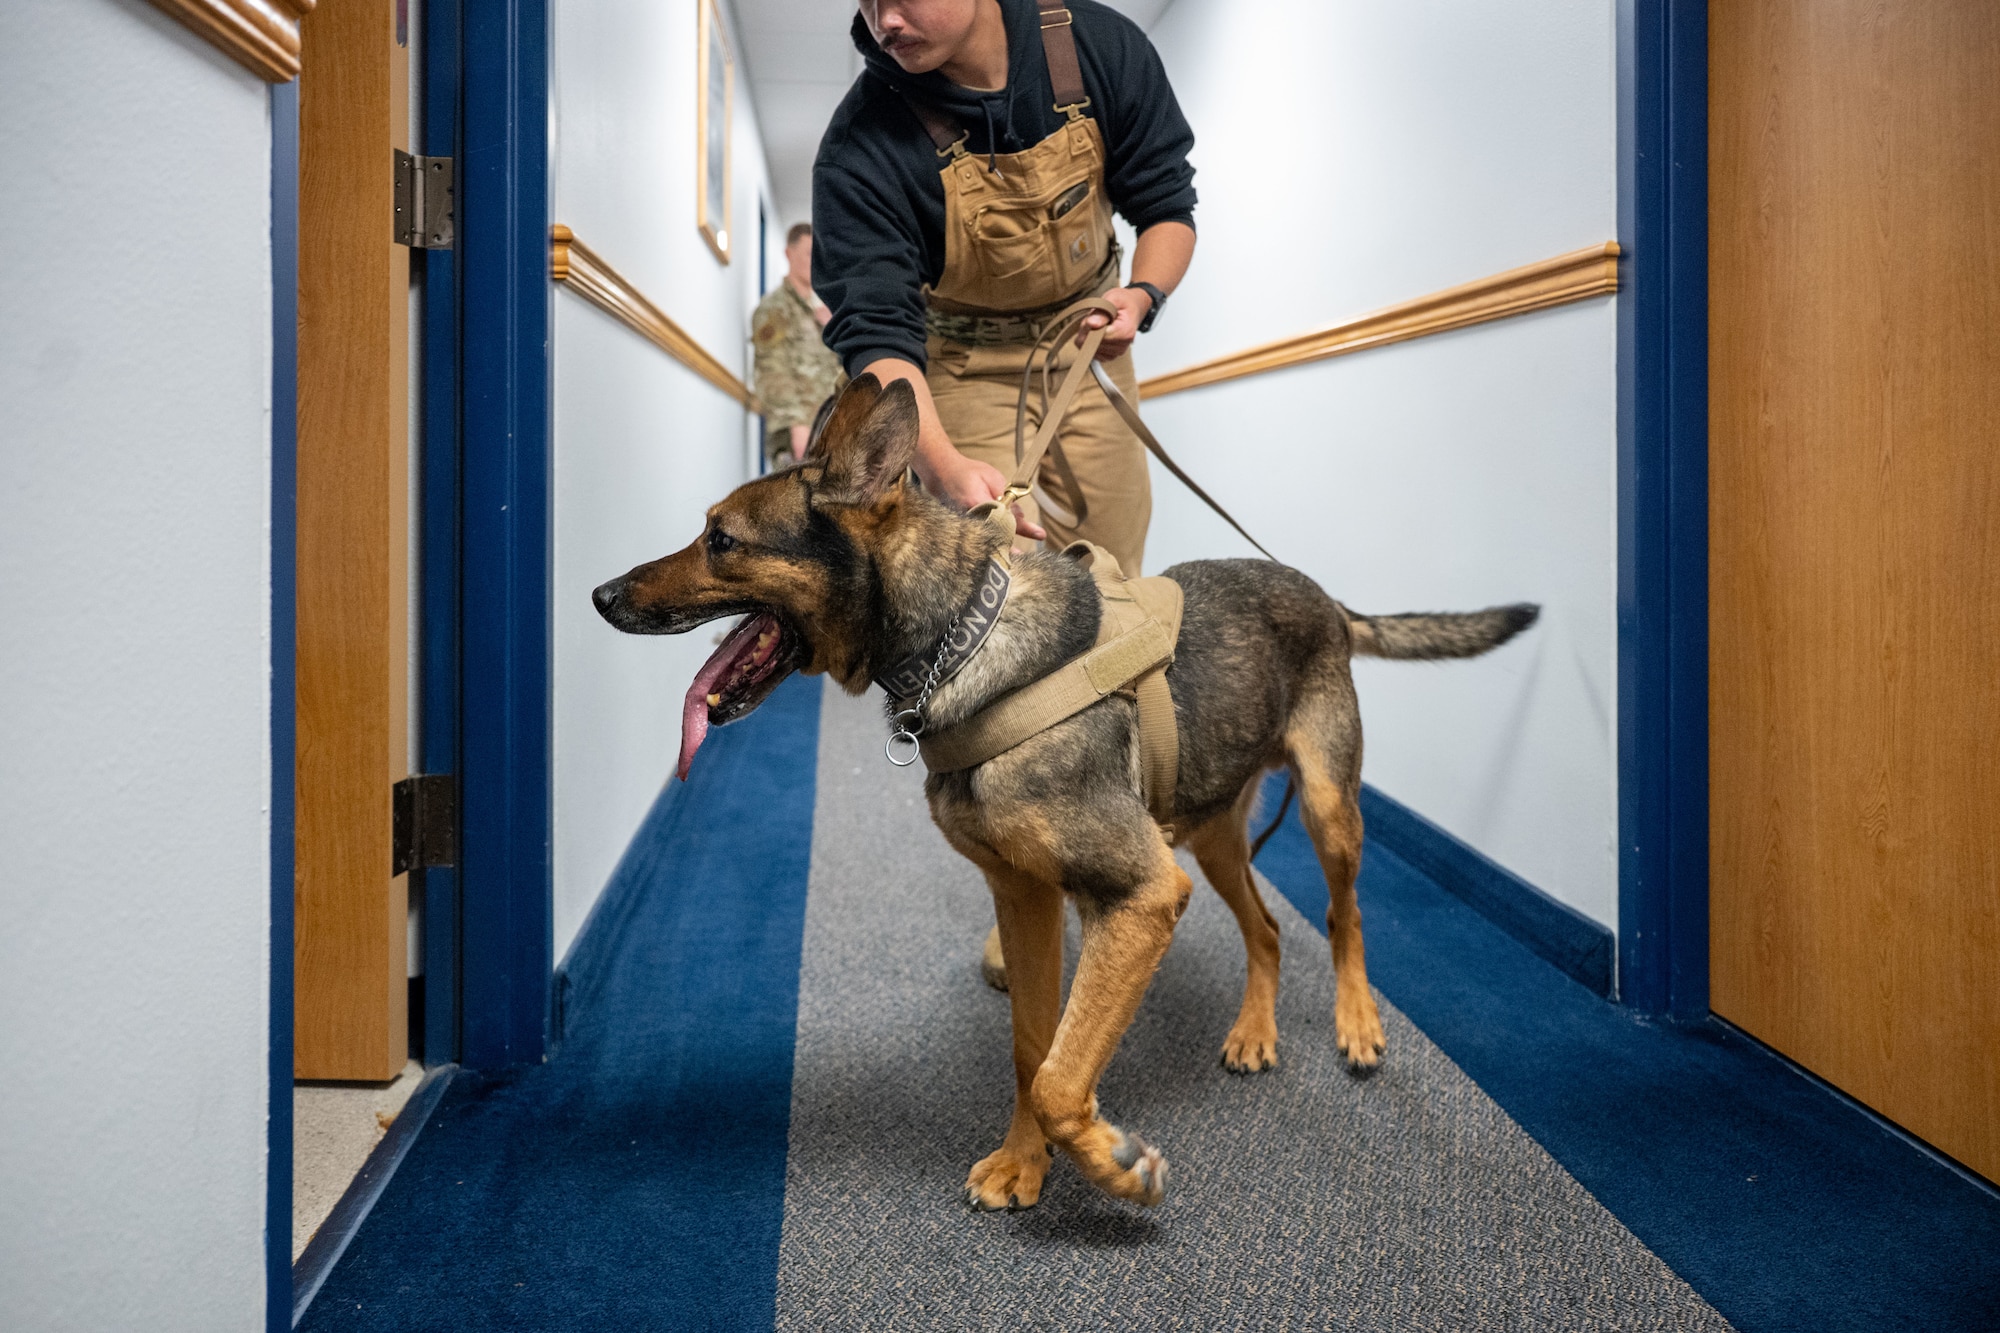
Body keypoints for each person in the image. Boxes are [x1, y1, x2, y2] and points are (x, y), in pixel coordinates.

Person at [812, 0, 1197, 577]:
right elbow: (877, 335)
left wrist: (1142, 294)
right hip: (964, 369)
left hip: (1087, 349)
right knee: (1000, 586)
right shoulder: (858, 150)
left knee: (1115, 572)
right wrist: (942, 468)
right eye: (867, 0)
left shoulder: (1100, 48)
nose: (883, 20)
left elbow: (1167, 207)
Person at [751, 222, 847, 471]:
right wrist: (797, 425)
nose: (814, 261)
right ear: (788, 254)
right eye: (808, 253)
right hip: (797, 432)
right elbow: (772, 372)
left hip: (830, 426)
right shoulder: (774, 309)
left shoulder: (823, 309)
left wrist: (834, 327)